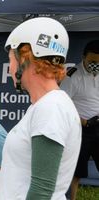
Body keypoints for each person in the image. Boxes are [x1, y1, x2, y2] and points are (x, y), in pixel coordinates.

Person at [0, 17, 82, 200]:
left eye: (10, 59)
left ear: (25, 58)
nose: (9, 69)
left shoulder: (51, 108)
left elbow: (41, 191)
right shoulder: (45, 106)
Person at [60, 40, 99, 200]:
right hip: (81, 129)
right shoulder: (72, 76)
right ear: (84, 57)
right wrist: (83, 122)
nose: (95, 65)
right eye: (92, 62)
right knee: (75, 171)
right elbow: (63, 104)